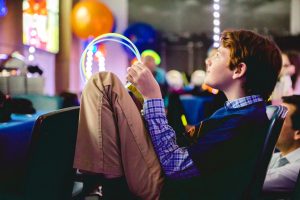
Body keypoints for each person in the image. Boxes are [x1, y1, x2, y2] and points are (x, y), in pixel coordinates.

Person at [74, 29, 282, 199]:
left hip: (168, 188)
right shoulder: (241, 112)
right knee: (109, 90)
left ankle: (100, 186)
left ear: (238, 70)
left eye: (218, 55)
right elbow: (185, 147)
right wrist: (146, 106)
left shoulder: (242, 121)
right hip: (168, 178)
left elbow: (177, 166)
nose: (208, 61)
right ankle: (104, 185)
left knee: (104, 82)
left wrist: (153, 98)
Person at [263, 95, 300, 192]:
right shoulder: (274, 157)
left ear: (298, 133)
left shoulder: (297, 168)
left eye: (280, 120)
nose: (270, 124)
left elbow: (247, 182)